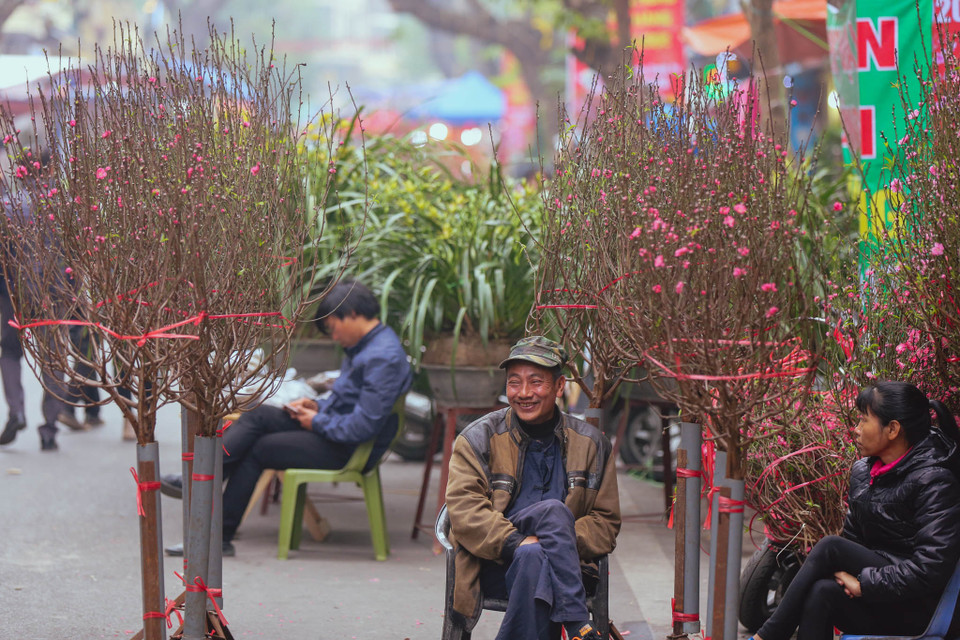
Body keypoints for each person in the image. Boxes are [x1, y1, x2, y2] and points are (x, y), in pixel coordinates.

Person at [162, 279, 413, 556]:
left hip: (348, 448)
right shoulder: (368, 346)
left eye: (333, 327)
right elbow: (352, 403)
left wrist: (316, 421)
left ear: (352, 314)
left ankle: (211, 517)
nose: (333, 336)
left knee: (260, 449)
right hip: (335, 430)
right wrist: (316, 407)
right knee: (259, 415)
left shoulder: (382, 357)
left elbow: (362, 425)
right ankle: (203, 487)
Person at [751, 381, 960, 640]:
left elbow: (930, 568)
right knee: (821, 593)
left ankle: (765, 637)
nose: (856, 429)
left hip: (920, 609)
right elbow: (853, 542)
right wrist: (850, 577)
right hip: (880, 596)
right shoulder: (864, 472)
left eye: (863, 421)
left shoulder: (934, 479)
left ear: (893, 429)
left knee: (830, 547)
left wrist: (865, 584)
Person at [444, 336, 620, 640]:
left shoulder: (593, 445)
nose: (524, 393)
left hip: (568, 567)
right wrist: (514, 542)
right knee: (545, 528)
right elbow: (465, 511)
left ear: (559, 386)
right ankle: (577, 622)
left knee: (538, 550)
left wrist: (555, 540)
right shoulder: (477, 439)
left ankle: (569, 609)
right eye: (514, 383)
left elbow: (606, 523)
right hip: (492, 565)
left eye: (536, 382)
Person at [0, 152, 69, 451]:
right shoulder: (62, 208)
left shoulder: (7, 207)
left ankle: (16, 410)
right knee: (53, 357)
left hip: (12, 292)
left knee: (11, 351)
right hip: (54, 292)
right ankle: (50, 427)